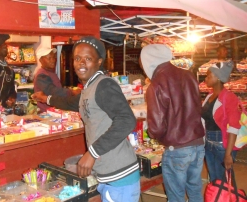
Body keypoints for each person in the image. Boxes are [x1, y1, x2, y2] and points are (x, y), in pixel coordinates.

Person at [33, 36, 140, 202]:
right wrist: (46, 99)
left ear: (99, 62)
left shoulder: (104, 85)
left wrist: (92, 153)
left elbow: (127, 120)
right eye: (77, 58)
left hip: (120, 175)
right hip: (109, 174)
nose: (81, 63)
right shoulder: (89, 87)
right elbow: (70, 102)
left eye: (88, 58)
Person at [140, 44, 205, 202]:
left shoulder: (156, 85)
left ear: (149, 61)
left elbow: (156, 127)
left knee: (176, 196)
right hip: (198, 143)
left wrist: (152, 135)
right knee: (195, 190)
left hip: (177, 148)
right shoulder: (189, 75)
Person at [202, 61, 240, 182]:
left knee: (224, 182)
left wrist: (228, 154)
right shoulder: (209, 96)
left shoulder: (229, 97)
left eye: (209, 76)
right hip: (208, 143)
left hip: (222, 145)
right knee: (214, 180)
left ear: (218, 78)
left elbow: (234, 127)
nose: (206, 78)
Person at [34, 47, 80, 113]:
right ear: (41, 60)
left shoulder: (50, 72)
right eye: (49, 58)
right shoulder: (41, 75)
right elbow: (52, 91)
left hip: (54, 112)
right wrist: (71, 92)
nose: (53, 60)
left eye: (53, 57)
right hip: (46, 113)